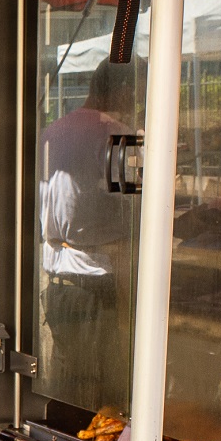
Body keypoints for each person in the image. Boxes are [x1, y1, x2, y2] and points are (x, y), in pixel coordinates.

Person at [39, 59, 138, 407]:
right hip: (97, 286)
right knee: (102, 399)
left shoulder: (53, 131)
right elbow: (138, 208)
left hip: (56, 284)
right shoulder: (120, 135)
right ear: (124, 90)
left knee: (66, 394)